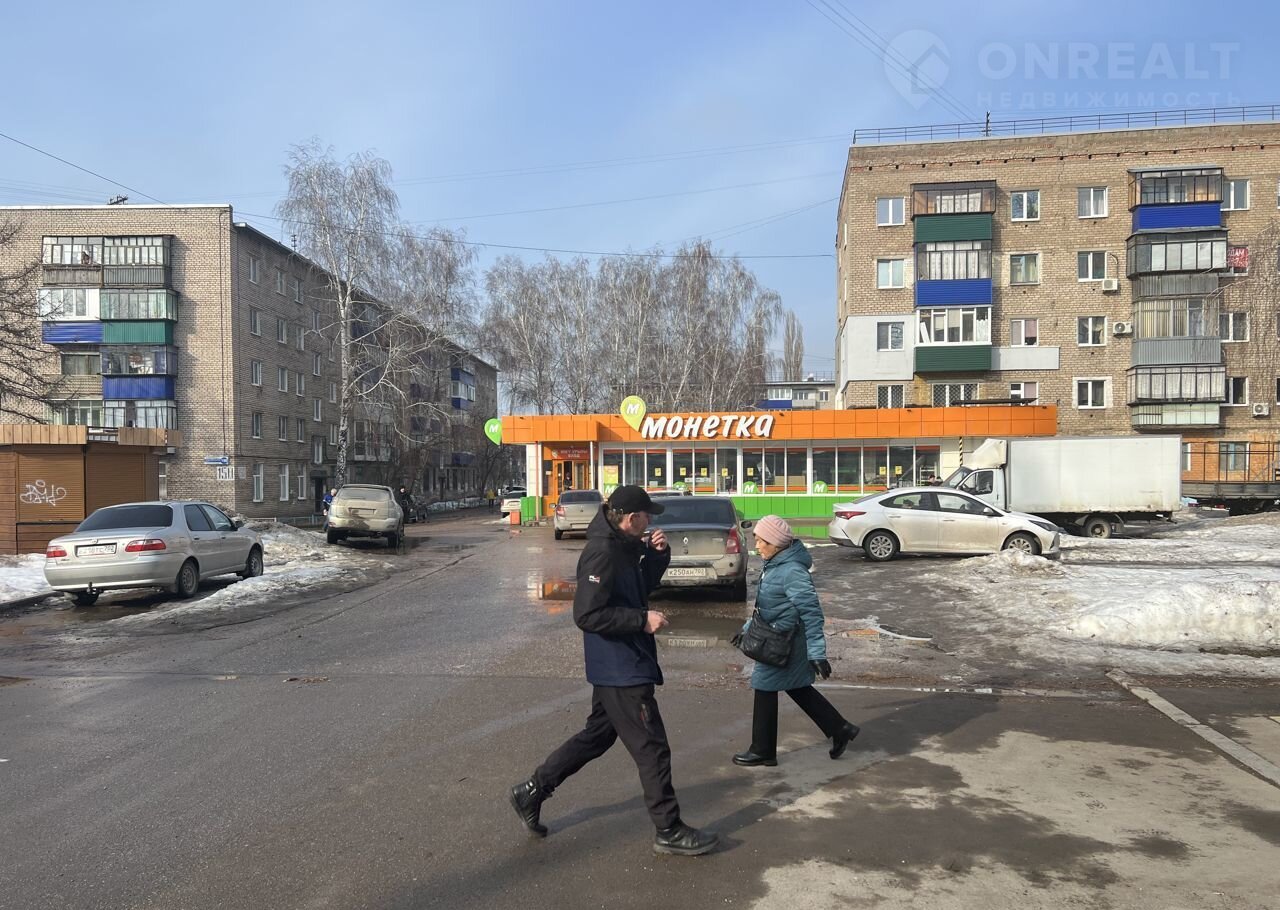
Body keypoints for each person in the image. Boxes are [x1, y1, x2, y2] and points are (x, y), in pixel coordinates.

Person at [509, 485, 719, 857]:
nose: (651, 521)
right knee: (652, 748)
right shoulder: (602, 552)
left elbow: (639, 588)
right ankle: (669, 829)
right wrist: (641, 620)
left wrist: (658, 556)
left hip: (621, 663)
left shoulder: (624, 545)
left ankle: (532, 790)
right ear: (631, 518)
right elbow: (587, 614)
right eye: (647, 515)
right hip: (621, 666)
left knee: (597, 736)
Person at [732, 515, 859, 767]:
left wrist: (817, 653)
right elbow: (769, 608)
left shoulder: (791, 571)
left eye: (762, 541)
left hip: (785, 643)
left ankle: (763, 750)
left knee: (764, 686)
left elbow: (812, 613)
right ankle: (840, 729)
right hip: (778, 637)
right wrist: (747, 629)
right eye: (756, 539)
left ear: (777, 543)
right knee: (796, 686)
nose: (757, 546)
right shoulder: (775, 564)